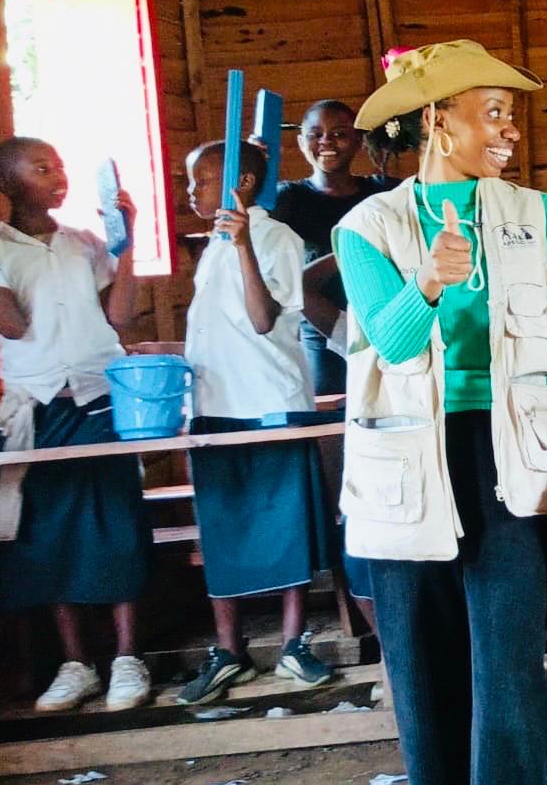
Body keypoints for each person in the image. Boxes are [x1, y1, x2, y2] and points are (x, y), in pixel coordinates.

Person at [334, 39, 547, 785]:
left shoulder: (532, 212)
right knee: (424, 664)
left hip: (506, 455)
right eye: (493, 113)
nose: (510, 131)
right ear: (437, 120)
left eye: (512, 116)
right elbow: (389, 345)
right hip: (406, 459)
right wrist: (423, 283)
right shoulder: (366, 227)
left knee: (510, 663)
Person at [0, 137, 152, 712]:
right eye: (42, 167)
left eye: (60, 165)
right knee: (47, 535)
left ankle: (128, 658)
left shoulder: (86, 243)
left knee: (114, 523)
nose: (59, 175)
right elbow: (13, 326)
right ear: (6, 183)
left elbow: (119, 316)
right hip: (36, 407)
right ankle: (77, 665)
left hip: (101, 401)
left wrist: (128, 243)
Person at [174, 140, 336, 704]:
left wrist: (243, 243)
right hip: (213, 403)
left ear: (240, 182)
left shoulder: (276, 238)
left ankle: (293, 643)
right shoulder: (213, 245)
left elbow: (264, 319)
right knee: (221, 527)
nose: (192, 191)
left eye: (201, 180)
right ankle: (229, 650)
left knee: (283, 523)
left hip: (270, 400)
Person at [272, 99, 392, 396]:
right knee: (331, 418)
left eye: (339, 133)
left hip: (385, 325)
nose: (326, 141)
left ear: (359, 141)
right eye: (315, 134)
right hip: (322, 332)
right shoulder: (288, 198)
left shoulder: (384, 192)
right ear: (301, 143)